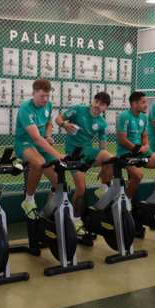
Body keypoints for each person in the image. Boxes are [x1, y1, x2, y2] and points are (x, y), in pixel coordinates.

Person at [54, 92, 113, 234]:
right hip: (74, 155)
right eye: (97, 101)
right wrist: (64, 125)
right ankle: (76, 220)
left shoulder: (102, 124)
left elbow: (103, 146)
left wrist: (104, 168)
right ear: (93, 101)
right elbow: (58, 118)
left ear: (106, 108)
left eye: (102, 104)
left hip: (88, 151)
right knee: (81, 190)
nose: (98, 106)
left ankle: (103, 188)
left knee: (112, 160)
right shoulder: (78, 110)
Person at [14, 78, 64, 219]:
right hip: (24, 144)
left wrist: (48, 136)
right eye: (42, 96)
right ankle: (29, 200)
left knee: (59, 182)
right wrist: (57, 154)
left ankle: (48, 216)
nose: (45, 99)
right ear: (33, 93)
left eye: (48, 96)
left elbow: (48, 123)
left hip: (41, 144)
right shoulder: (25, 109)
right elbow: (35, 138)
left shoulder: (47, 105)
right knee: (38, 163)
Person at [115, 92, 155, 202]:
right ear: (134, 104)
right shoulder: (124, 116)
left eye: (146, 102)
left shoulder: (143, 117)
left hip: (140, 152)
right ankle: (126, 200)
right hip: (126, 153)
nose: (146, 105)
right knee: (138, 175)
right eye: (143, 102)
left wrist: (146, 146)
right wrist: (137, 149)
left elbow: (144, 136)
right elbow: (122, 139)